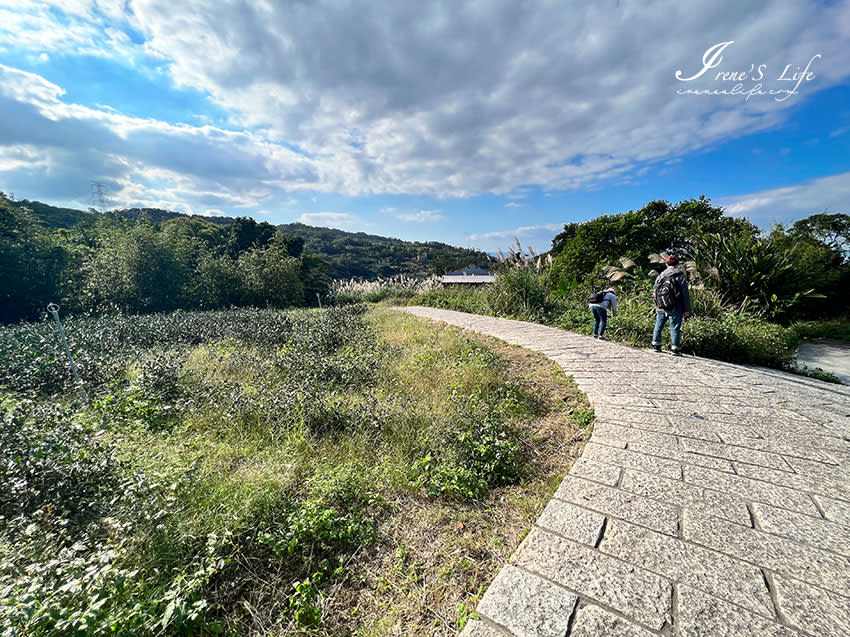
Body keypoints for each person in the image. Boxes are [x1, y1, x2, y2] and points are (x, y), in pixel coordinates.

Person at [652, 255, 691, 355]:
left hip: (661, 305)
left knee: (659, 324)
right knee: (675, 326)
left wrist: (658, 304)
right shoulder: (680, 275)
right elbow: (685, 293)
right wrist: (686, 309)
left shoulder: (661, 275)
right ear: (677, 264)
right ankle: (675, 348)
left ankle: (656, 344)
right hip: (675, 305)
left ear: (666, 264)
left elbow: (655, 291)